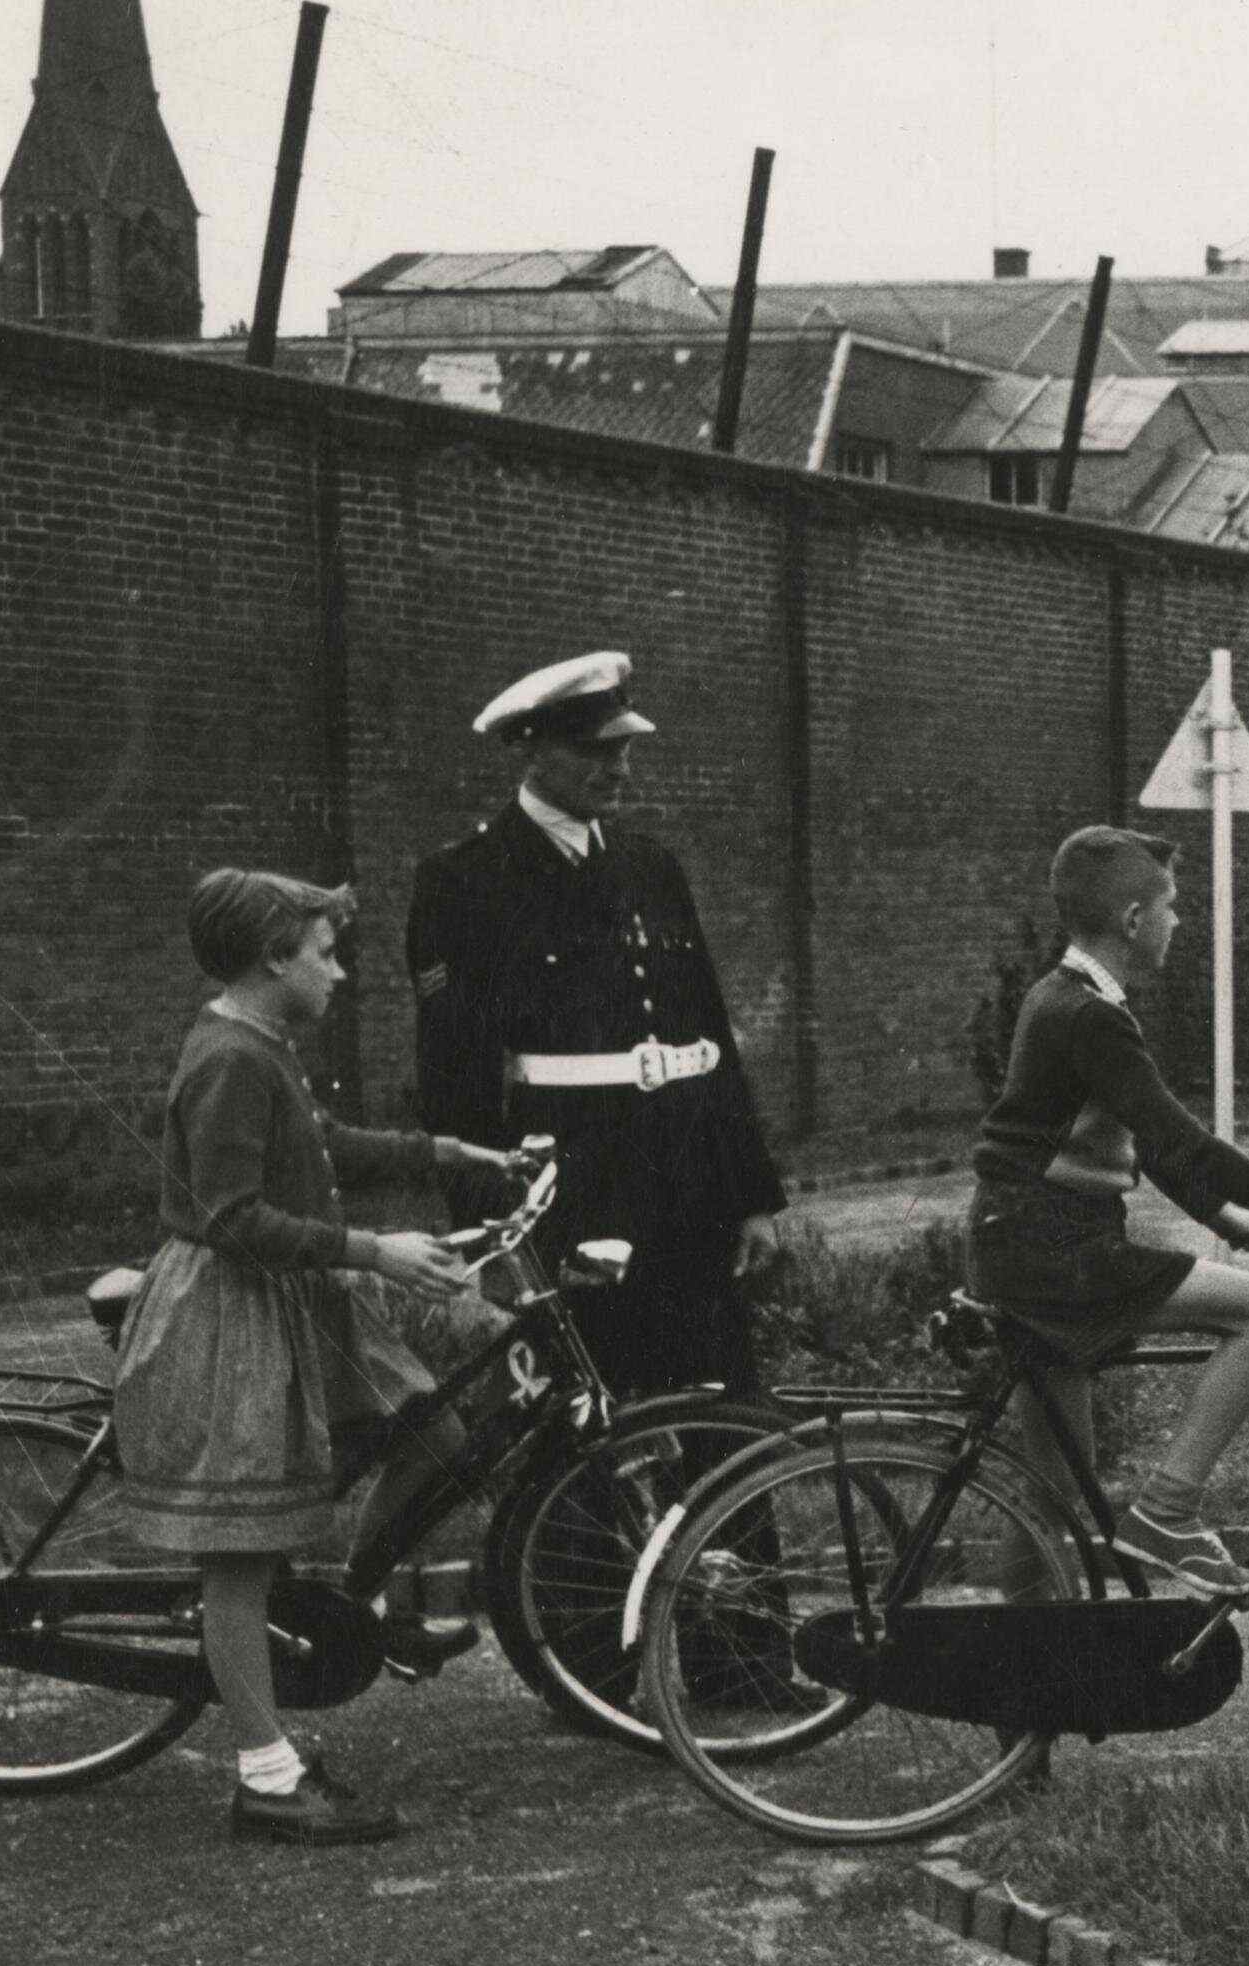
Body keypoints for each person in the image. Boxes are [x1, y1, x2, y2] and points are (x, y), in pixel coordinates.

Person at [116, 872, 521, 1846]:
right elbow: (228, 1216)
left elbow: (321, 1143)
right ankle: (264, 1776)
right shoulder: (228, 1057)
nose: (339, 971)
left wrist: (450, 1154)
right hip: (234, 1307)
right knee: (241, 1554)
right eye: (325, 953)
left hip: (289, 1293)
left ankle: (354, 1608)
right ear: (272, 960)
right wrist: (371, 1251)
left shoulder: (262, 1045)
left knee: (438, 1432)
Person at [971, 828, 1249, 1605]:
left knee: (1055, 1493)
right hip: (1057, 1252)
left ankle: (1022, 1692)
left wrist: (1226, 1218)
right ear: (1133, 919)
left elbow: (1144, 1142)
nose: (1179, 921)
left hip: (1021, 1245)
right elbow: (1177, 1136)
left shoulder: (1069, 998)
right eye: (1170, 906)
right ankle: (1167, 1512)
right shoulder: (1089, 1014)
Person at [410, 651, 782, 1399]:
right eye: (595, 750)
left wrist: (751, 1194)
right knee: (589, 1433)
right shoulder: (467, 882)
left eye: (624, 748)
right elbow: (456, 1075)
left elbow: (707, 1041)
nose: (619, 768)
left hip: (691, 1182)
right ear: (532, 748)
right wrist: (492, 1232)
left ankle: (724, 1523)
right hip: (573, 1193)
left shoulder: (652, 868)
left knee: (727, 1415)